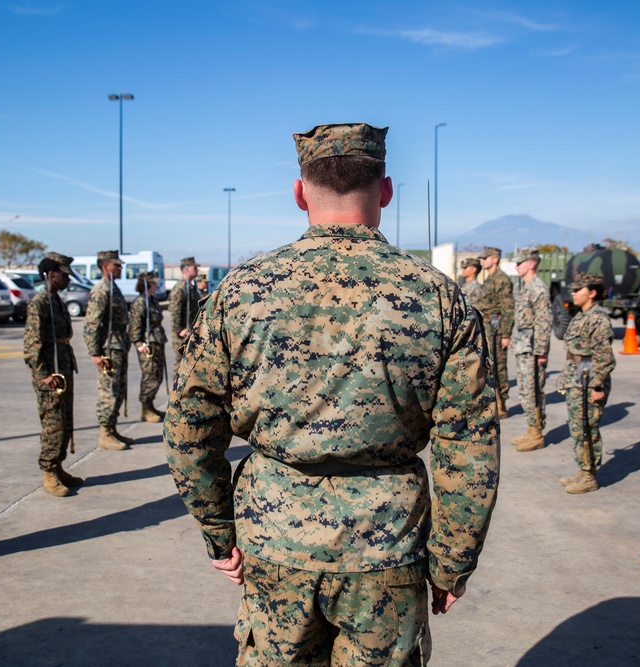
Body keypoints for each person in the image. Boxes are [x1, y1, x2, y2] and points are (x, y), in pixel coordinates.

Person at [164, 122, 499, 666]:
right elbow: (470, 445)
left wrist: (218, 530)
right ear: (385, 191)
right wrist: (452, 560)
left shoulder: (240, 291)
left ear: (300, 193)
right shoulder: (440, 298)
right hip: (387, 546)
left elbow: (189, 426)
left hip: (273, 540)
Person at [23, 252, 84, 497]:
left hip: (63, 368)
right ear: (51, 274)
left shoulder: (56, 300)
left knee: (65, 418)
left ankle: (58, 466)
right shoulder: (39, 303)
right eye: (64, 274)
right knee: (53, 422)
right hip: (50, 372)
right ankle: (49, 472)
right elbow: (32, 343)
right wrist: (44, 374)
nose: (68, 279)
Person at [557, 272, 615, 493]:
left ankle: (589, 475)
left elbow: (604, 356)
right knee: (577, 426)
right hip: (576, 377)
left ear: (591, 293)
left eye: (577, 290)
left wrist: (597, 385)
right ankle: (583, 469)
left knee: (586, 428)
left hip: (588, 380)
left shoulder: (598, 318)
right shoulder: (581, 315)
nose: (573, 293)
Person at [83, 250, 132, 451]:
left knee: (119, 390)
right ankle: (105, 433)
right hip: (108, 348)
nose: (120, 268)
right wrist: (95, 353)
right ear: (105, 267)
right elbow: (92, 323)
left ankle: (111, 428)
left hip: (119, 345)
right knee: (108, 392)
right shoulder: (101, 290)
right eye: (117, 265)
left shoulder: (114, 288)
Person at [510, 248, 552, 451]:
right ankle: (530, 428)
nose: (516, 266)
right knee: (525, 390)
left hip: (532, 346)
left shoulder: (538, 288)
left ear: (532, 263)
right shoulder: (525, 286)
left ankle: (537, 433)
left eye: (520, 262)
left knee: (533, 390)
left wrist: (542, 351)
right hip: (523, 344)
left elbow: (543, 321)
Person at [475, 246, 513, 417]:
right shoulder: (489, 279)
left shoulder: (501, 280)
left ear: (495, 259)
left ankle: (501, 401)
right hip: (488, 325)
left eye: (485, 258)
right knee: (489, 364)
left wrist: (506, 334)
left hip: (496, 327)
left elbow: (507, 308)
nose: (482, 261)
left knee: (498, 364)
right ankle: (493, 399)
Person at [129, 271, 167, 423]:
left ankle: (150, 406)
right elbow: (135, 325)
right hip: (147, 344)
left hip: (157, 341)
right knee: (149, 376)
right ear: (146, 285)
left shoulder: (151, 300)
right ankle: (145, 409)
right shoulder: (140, 302)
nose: (156, 285)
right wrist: (139, 343)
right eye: (153, 283)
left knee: (157, 376)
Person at [169, 256, 202, 371]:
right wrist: (179, 330)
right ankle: (175, 388)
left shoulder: (191, 287)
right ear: (186, 269)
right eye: (194, 267)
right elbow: (174, 311)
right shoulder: (180, 288)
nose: (197, 270)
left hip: (191, 332)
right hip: (182, 335)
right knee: (180, 365)